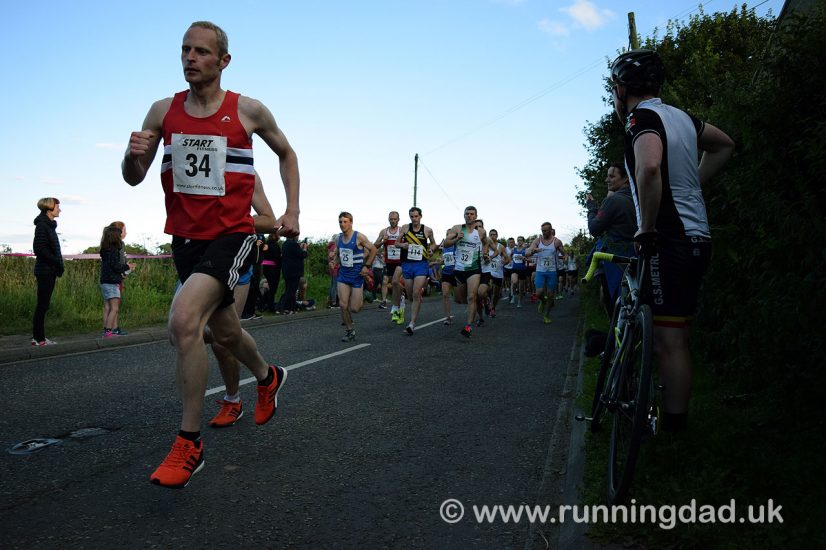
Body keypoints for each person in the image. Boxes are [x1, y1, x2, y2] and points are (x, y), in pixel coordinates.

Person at [122, 21, 299, 488]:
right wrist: (131, 153)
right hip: (185, 239)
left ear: (223, 61)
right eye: (185, 50)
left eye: (201, 51)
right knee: (225, 332)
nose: (190, 58)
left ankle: (189, 442)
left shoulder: (249, 110)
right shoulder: (162, 111)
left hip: (233, 234)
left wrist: (292, 209)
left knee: (184, 321)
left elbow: (287, 153)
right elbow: (133, 177)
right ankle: (267, 376)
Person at [610, 49, 734, 432]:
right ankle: (671, 423)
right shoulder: (681, 117)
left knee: (669, 341)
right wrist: (692, 185)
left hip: (668, 239)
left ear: (621, 89)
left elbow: (648, 166)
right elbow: (725, 144)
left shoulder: (640, 118)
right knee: (676, 333)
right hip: (698, 236)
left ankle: (674, 435)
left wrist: (646, 227)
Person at [207, 171, 280, 428]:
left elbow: (269, 221)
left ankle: (233, 400)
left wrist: (223, 220)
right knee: (181, 330)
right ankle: (266, 375)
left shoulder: (244, 168)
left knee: (220, 340)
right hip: (196, 258)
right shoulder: (187, 150)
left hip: (234, 261)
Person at [586, 163, 637, 314]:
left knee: (614, 302)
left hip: (615, 259)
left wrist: (591, 208)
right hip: (636, 254)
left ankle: (616, 333)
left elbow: (594, 229)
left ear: (626, 178)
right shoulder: (638, 198)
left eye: (612, 176)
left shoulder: (613, 201)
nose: (607, 180)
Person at [444, 206, 487, 337]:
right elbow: (446, 243)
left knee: (471, 296)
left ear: (476, 216)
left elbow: (485, 242)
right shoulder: (457, 228)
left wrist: (483, 253)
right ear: (464, 215)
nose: (469, 216)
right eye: (467, 213)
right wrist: (456, 239)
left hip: (474, 269)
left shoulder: (481, 232)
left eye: (472, 214)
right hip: (459, 269)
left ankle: (468, 326)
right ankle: (475, 309)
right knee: (458, 299)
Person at [335, 212, 378, 341]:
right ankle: (350, 331)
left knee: (355, 308)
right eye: (340, 222)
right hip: (343, 275)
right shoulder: (338, 238)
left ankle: (365, 294)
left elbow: (374, 249)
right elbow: (339, 254)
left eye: (345, 221)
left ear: (351, 222)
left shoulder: (358, 236)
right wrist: (335, 262)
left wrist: (367, 266)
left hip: (357, 275)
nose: (342, 224)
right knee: (343, 305)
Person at [398, 207, 437, 334]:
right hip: (407, 264)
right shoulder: (405, 228)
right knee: (411, 295)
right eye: (412, 217)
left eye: (416, 216)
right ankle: (417, 299)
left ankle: (411, 324)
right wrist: (402, 245)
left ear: (420, 216)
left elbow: (434, 244)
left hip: (421, 264)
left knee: (415, 293)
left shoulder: (427, 230)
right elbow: (396, 243)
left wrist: (431, 249)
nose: (414, 219)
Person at [31, 197, 64, 346]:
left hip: (49, 270)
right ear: (49, 208)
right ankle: (39, 339)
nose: (59, 209)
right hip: (45, 271)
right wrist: (56, 261)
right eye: (57, 207)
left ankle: (38, 338)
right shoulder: (43, 226)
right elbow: (39, 249)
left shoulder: (48, 225)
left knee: (44, 304)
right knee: (42, 305)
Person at [99, 225, 137, 337]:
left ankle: (105, 330)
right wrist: (127, 267)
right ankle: (109, 331)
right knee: (114, 308)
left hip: (104, 281)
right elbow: (116, 266)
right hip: (112, 282)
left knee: (108, 307)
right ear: (116, 237)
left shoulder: (105, 250)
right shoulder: (114, 251)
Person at [525, 222, 564, 324]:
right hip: (540, 271)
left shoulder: (557, 242)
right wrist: (534, 251)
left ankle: (546, 315)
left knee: (551, 295)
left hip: (552, 271)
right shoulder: (538, 240)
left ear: (551, 230)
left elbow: (564, 254)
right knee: (539, 293)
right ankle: (543, 301)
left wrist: (565, 257)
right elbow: (527, 252)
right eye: (542, 230)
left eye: (545, 230)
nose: (543, 232)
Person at [373, 211, 403, 321]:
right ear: (388, 219)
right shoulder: (384, 231)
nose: (393, 221)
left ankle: (399, 300)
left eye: (395, 219)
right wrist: (383, 241)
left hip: (400, 261)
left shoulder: (402, 231)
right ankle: (384, 300)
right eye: (391, 219)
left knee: (395, 282)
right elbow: (375, 245)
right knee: (385, 281)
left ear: (398, 220)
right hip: (389, 261)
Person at [280, 236, 308, 313]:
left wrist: (299, 247)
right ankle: (286, 308)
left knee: (289, 290)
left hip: (287, 271)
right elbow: (303, 255)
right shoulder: (293, 244)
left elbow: (294, 253)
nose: (298, 237)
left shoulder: (285, 244)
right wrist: (305, 248)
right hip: (294, 272)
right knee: (291, 291)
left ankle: (290, 308)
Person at [260, 233, 281, 312]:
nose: (279, 236)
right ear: (275, 236)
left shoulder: (266, 244)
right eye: (278, 235)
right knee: (272, 289)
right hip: (273, 269)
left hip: (265, 268)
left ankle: (262, 304)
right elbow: (277, 259)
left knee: (268, 289)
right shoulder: (275, 245)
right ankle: (271, 307)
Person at [509, 236, 528, 307]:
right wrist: (510, 261)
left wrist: (524, 258)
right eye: (518, 240)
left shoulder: (525, 250)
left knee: (521, 287)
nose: (519, 242)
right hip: (515, 269)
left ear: (523, 242)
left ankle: (519, 301)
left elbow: (529, 260)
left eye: (520, 240)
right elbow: (510, 257)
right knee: (514, 282)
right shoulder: (513, 250)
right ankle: (513, 295)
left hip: (522, 270)